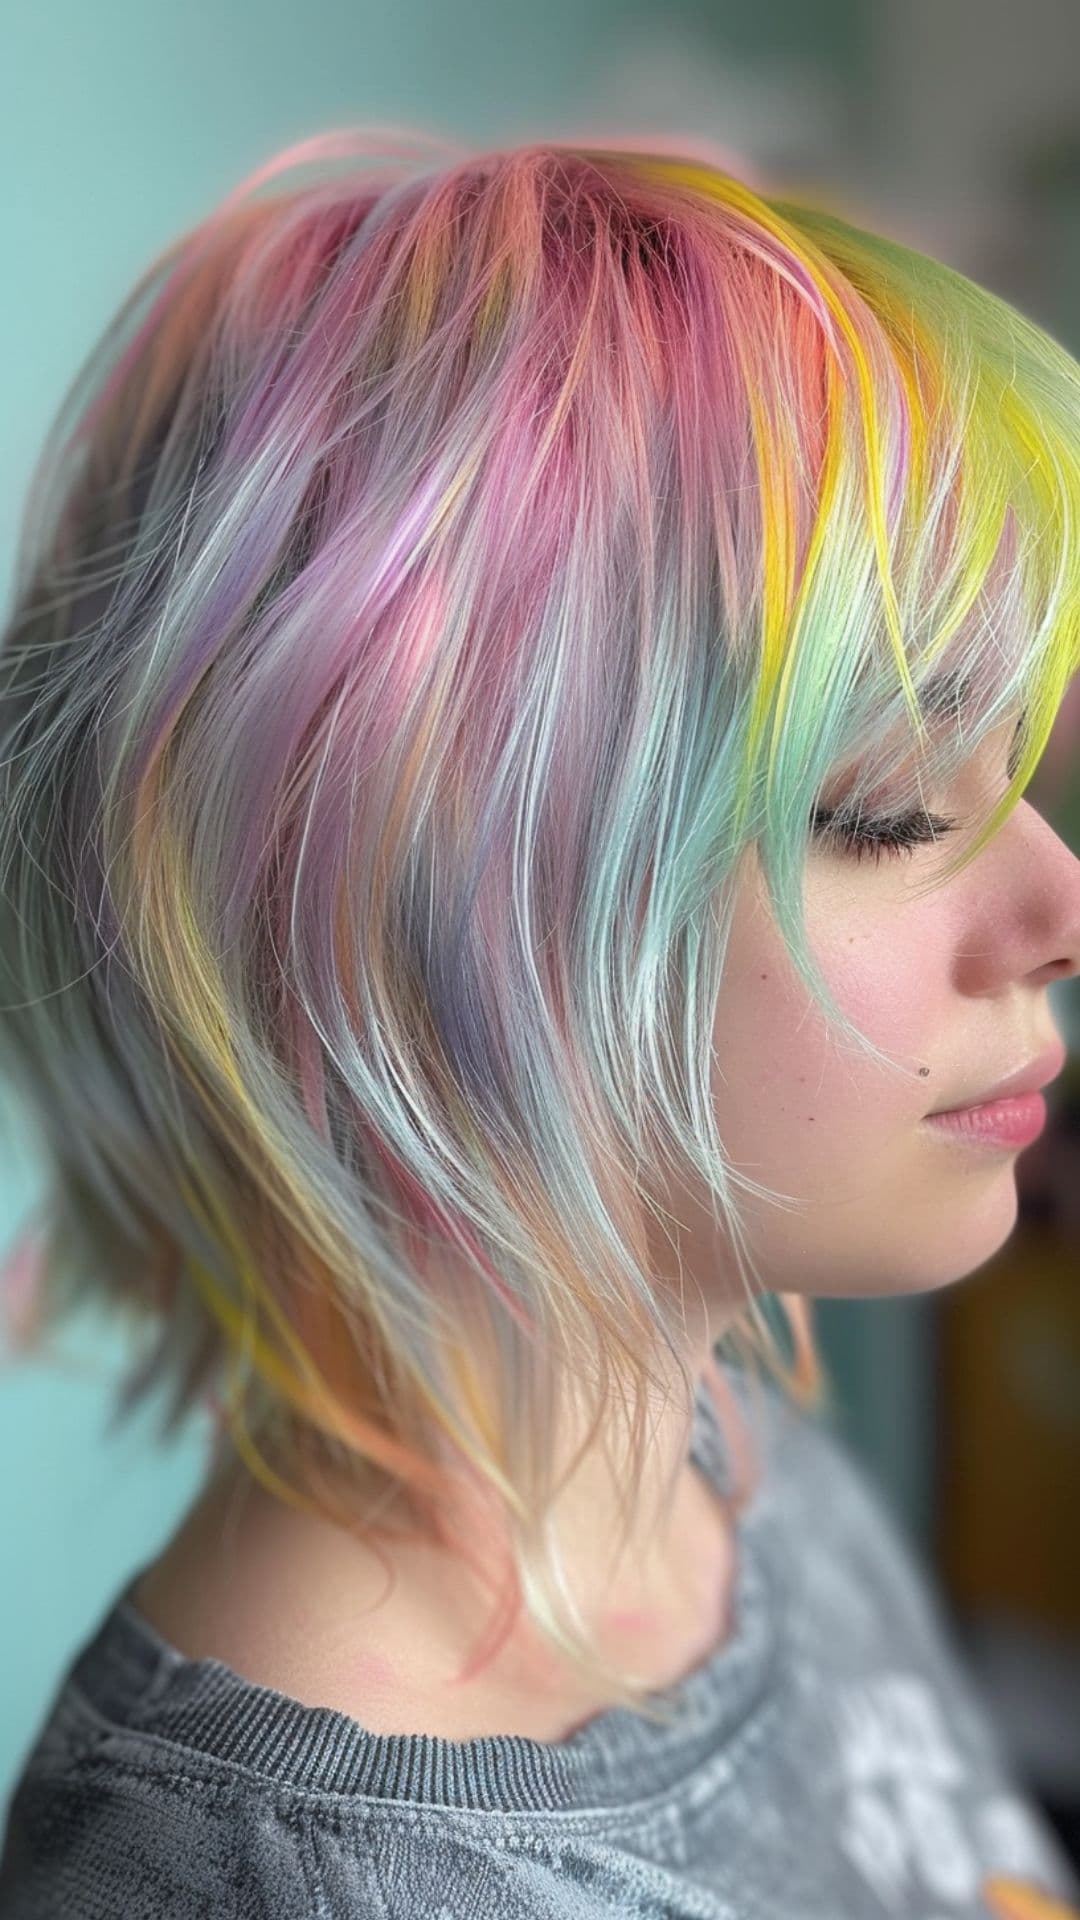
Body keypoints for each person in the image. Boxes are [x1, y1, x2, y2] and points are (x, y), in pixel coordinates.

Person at [1, 126, 1080, 1919]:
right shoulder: (275, 1888)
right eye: (886, 798)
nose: (1060, 905)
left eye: (1017, 773)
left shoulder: (721, 1461)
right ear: (411, 922)